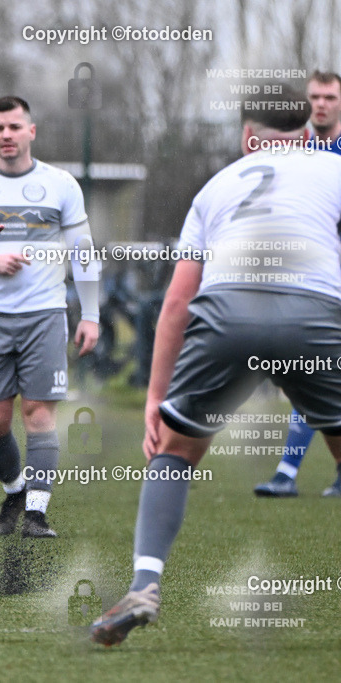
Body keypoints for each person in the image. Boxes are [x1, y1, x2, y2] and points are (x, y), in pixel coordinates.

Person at [90, 86, 341, 646]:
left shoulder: (216, 185)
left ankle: (144, 584)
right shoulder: (333, 174)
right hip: (314, 315)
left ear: (248, 138)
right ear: (307, 135)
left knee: (176, 452)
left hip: (226, 314)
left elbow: (177, 302)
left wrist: (156, 399)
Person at [0, 96, 100, 538]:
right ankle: (15, 489)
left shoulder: (62, 184)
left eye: (14, 127)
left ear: (31, 131)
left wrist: (91, 314)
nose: (6, 135)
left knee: (38, 414)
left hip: (45, 313)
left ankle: (36, 513)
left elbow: (83, 253)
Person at [254, 70, 341, 498]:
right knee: (307, 372)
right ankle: (288, 473)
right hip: (306, 279)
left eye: (330, 96)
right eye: (315, 97)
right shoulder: (292, 150)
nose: (322, 104)